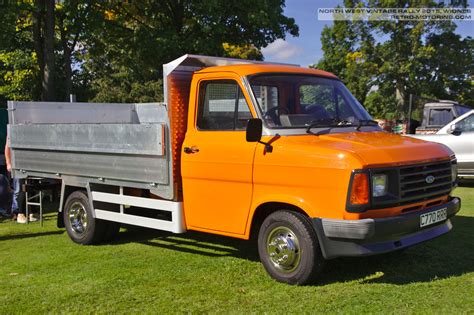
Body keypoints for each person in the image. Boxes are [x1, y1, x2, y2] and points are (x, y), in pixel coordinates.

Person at [5, 134, 33, 223]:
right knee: (18, 189)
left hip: (25, 164)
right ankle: (16, 212)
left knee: (25, 188)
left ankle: (26, 212)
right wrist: (8, 163)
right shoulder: (11, 132)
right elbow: (7, 148)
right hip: (16, 165)